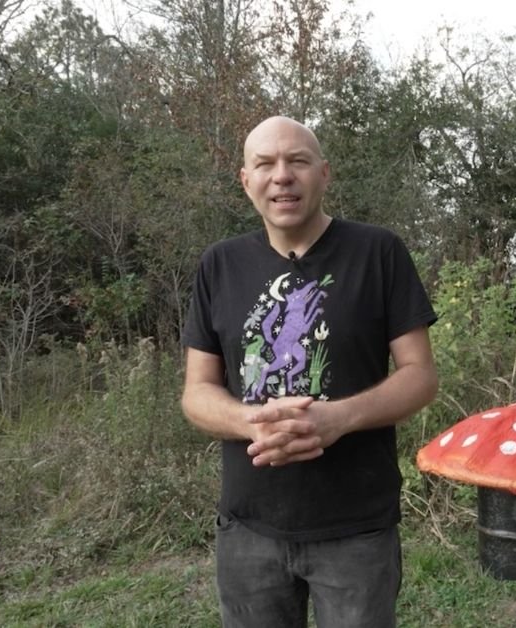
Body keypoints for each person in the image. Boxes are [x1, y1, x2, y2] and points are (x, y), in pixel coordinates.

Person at [180, 115, 438, 628]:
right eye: (265, 164)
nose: (282, 176)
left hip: (357, 529)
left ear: (324, 173)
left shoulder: (378, 252)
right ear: (246, 180)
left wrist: (339, 417)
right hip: (248, 528)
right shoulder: (219, 265)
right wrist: (250, 421)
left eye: (297, 161)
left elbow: (421, 375)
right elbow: (197, 391)